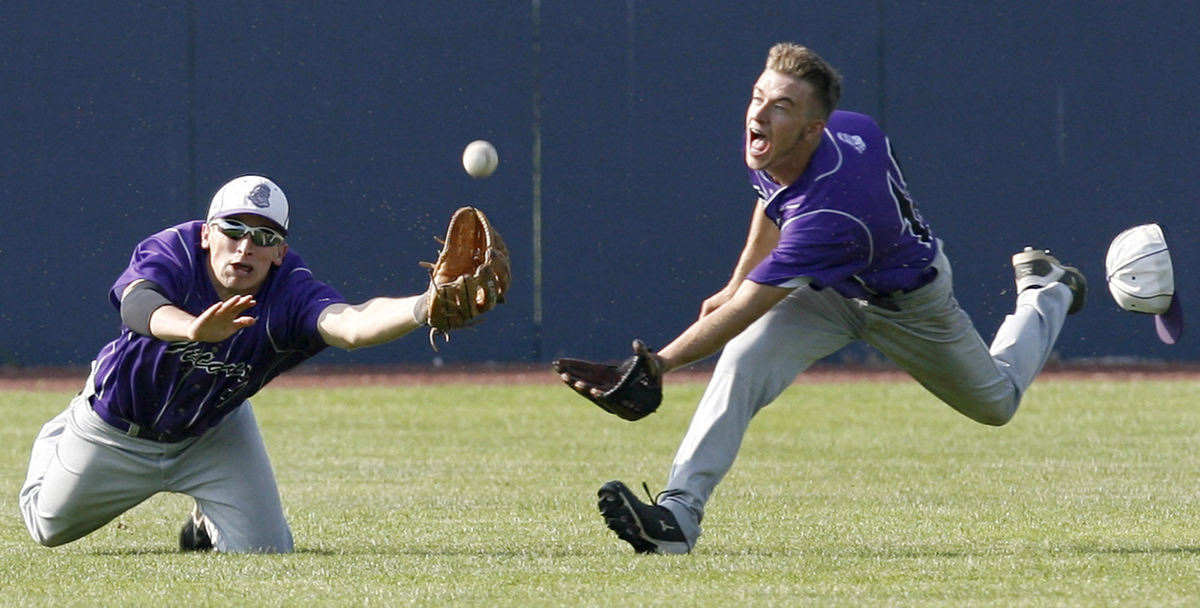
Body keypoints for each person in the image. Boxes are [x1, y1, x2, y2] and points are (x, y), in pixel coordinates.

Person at [583, 43, 1086, 554]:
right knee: (743, 361)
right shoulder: (812, 135)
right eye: (758, 96)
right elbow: (773, 198)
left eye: (780, 105)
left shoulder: (832, 214)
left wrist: (659, 363)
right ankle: (677, 514)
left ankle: (1045, 291)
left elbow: (746, 310)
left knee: (997, 403)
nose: (758, 113)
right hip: (829, 291)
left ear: (813, 128)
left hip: (910, 304)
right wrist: (736, 281)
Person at [19, 175, 499, 553]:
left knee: (265, 552)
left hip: (212, 432)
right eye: (233, 230)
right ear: (208, 234)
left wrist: (423, 305)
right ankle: (61, 431)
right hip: (115, 429)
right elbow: (136, 305)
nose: (246, 246)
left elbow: (350, 324)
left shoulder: (289, 290)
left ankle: (204, 524)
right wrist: (192, 329)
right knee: (47, 528)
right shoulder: (176, 250)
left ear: (280, 252)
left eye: (264, 236)